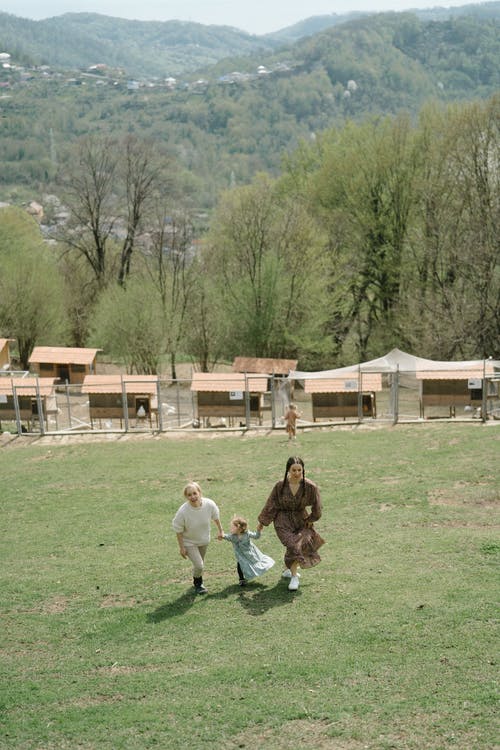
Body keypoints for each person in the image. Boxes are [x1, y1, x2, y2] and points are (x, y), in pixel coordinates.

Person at [257, 456, 324, 591]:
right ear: (288, 470)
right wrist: (262, 523)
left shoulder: (310, 486)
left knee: (297, 545)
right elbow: (271, 504)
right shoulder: (280, 486)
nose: (297, 473)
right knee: (293, 544)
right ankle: (294, 577)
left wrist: (311, 519)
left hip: (301, 520)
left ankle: (288, 569)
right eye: (294, 470)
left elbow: (317, 506)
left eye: (300, 470)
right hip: (282, 520)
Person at [172, 481, 224, 594]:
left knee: (200, 564)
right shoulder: (183, 511)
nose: (193, 497)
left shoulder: (209, 504)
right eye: (189, 495)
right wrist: (182, 547)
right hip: (189, 542)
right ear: (186, 497)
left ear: (200, 493)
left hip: (204, 540)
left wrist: (221, 530)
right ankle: (198, 584)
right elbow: (178, 529)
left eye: (195, 493)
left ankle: (198, 579)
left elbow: (216, 517)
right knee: (199, 565)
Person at [221, 515, 275, 586]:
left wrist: (258, 530)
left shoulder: (247, 534)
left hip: (251, 553)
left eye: (232, 527)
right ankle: (241, 579)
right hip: (240, 555)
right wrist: (221, 535)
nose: (230, 529)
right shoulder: (232, 536)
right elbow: (226, 536)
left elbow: (256, 536)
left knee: (253, 563)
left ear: (239, 528)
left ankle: (257, 570)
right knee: (240, 565)